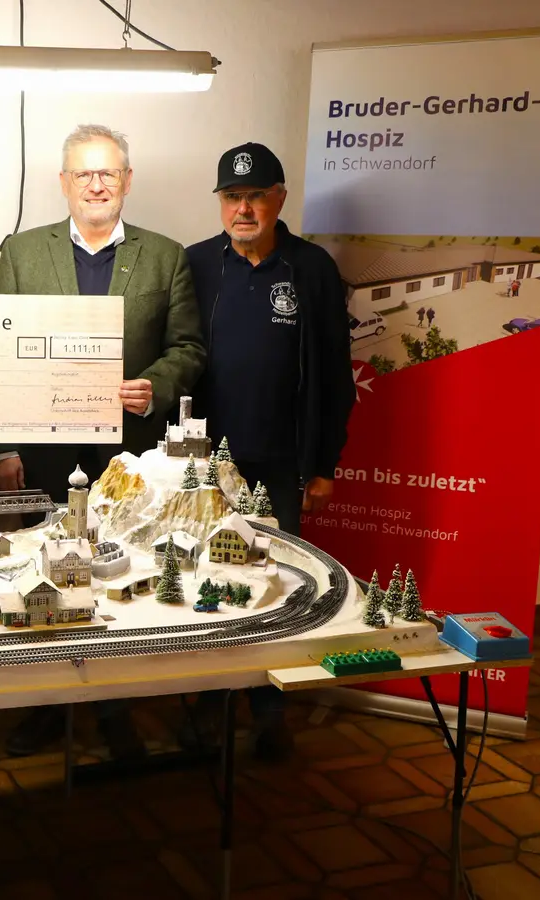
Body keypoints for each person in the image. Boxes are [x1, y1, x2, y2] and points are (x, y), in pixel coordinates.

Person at [0, 124, 206, 759]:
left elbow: (188, 347)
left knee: (120, 577)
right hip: (47, 452)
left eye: (108, 173)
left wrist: (155, 387)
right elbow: (1, 353)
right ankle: (43, 708)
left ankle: (114, 706)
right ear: (63, 183)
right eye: (83, 173)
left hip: (128, 456)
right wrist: (4, 449)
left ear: (128, 182)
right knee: (43, 574)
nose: (96, 184)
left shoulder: (165, 256)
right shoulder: (24, 253)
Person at [184, 143, 356, 760]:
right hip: (206, 467)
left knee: (278, 581)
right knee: (206, 574)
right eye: (233, 196)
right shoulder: (197, 264)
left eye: (257, 195)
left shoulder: (311, 268)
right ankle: (207, 696)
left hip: (283, 461)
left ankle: (270, 708)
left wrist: (325, 463)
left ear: (281, 198)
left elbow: (335, 374)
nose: (244, 208)